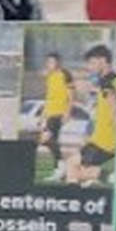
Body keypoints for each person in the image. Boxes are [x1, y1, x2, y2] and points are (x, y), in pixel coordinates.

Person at [65, 45, 116, 184]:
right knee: (74, 167)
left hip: (105, 140)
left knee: (73, 168)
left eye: (92, 63)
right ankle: (105, 177)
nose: (90, 67)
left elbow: (114, 109)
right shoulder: (112, 80)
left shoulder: (107, 83)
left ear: (103, 60)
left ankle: (110, 177)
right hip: (101, 138)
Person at [41, 52, 73, 182]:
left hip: (58, 113)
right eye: (48, 62)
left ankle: (60, 167)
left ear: (58, 62)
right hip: (49, 113)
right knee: (49, 140)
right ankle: (60, 169)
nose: (49, 64)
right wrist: (43, 114)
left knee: (47, 139)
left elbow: (71, 96)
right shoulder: (50, 77)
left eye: (52, 62)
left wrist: (68, 112)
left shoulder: (65, 75)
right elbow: (49, 97)